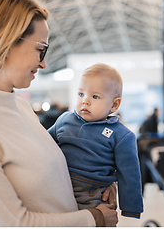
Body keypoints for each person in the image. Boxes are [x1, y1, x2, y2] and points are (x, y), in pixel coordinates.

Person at [0, 0, 118, 227]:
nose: (43, 63)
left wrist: (97, 183)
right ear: (7, 40)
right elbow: (13, 224)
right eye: (40, 49)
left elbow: (52, 188)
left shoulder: (20, 106)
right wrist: (93, 218)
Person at [48, 63, 144, 219]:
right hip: (58, 188)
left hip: (92, 194)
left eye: (95, 96)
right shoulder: (64, 120)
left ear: (114, 105)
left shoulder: (121, 135)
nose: (85, 101)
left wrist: (131, 207)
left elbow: (129, 174)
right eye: (81, 94)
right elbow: (43, 142)